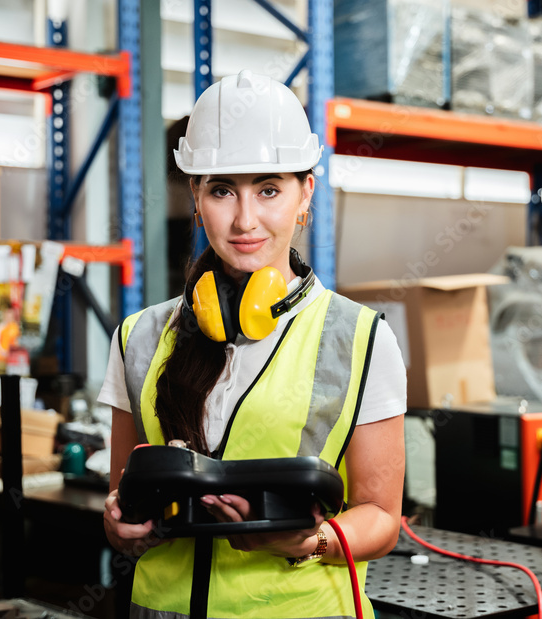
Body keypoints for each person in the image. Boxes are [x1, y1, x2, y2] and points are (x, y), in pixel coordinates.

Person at [99, 69, 407, 619]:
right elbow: (126, 497)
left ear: (305, 193)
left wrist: (311, 542)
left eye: (269, 190)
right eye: (222, 190)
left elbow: (382, 518)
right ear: (196, 198)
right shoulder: (139, 336)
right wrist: (119, 527)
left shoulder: (360, 338)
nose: (245, 220)